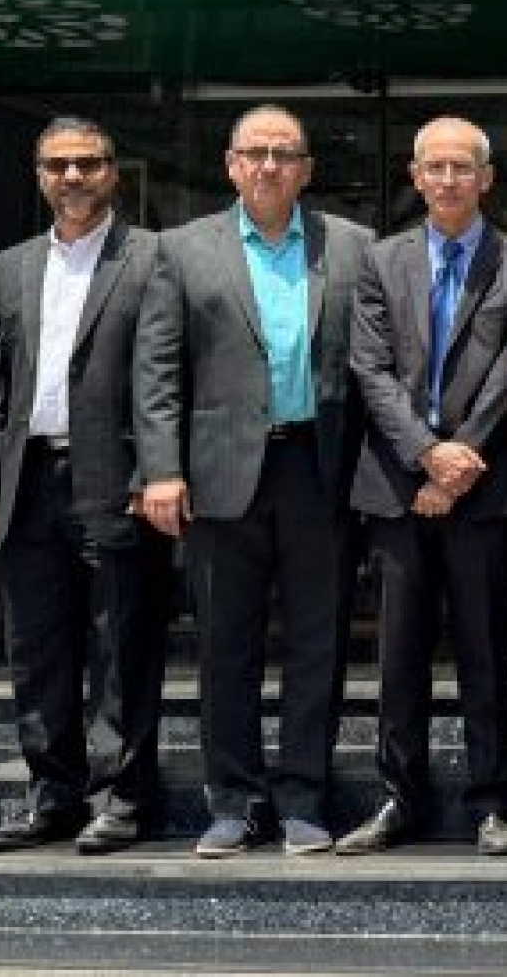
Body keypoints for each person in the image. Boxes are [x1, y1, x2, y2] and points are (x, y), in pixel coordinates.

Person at [133, 105, 374, 858]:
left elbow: (373, 368)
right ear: (232, 165)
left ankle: (304, 799)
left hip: (318, 469)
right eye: (256, 153)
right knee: (224, 645)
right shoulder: (182, 249)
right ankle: (232, 803)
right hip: (218, 473)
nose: (270, 165)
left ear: (306, 169)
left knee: (317, 644)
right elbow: (157, 370)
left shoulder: (354, 246)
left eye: (285, 154)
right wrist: (161, 469)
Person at [0, 116, 172, 855]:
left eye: (88, 163)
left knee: (122, 645)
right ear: (39, 174)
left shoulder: (151, 257)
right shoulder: (11, 266)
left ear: (112, 171)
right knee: (37, 647)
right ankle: (51, 795)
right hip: (26, 481)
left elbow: (161, 377)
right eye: (58, 165)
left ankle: (120, 798)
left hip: (114, 478)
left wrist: (157, 471)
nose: (73, 176)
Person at [340, 116, 507, 858]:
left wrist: (458, 462)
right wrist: (427, 455)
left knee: (485, 651)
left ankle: (493, 800)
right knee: (399, 656)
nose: (450, 179)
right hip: (397, 487)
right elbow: (370, 369)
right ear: (416, 176)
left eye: (463, 167)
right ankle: (400, 797)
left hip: (482, 489)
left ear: (486, 177)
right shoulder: (380, 260)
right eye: (436, 166)